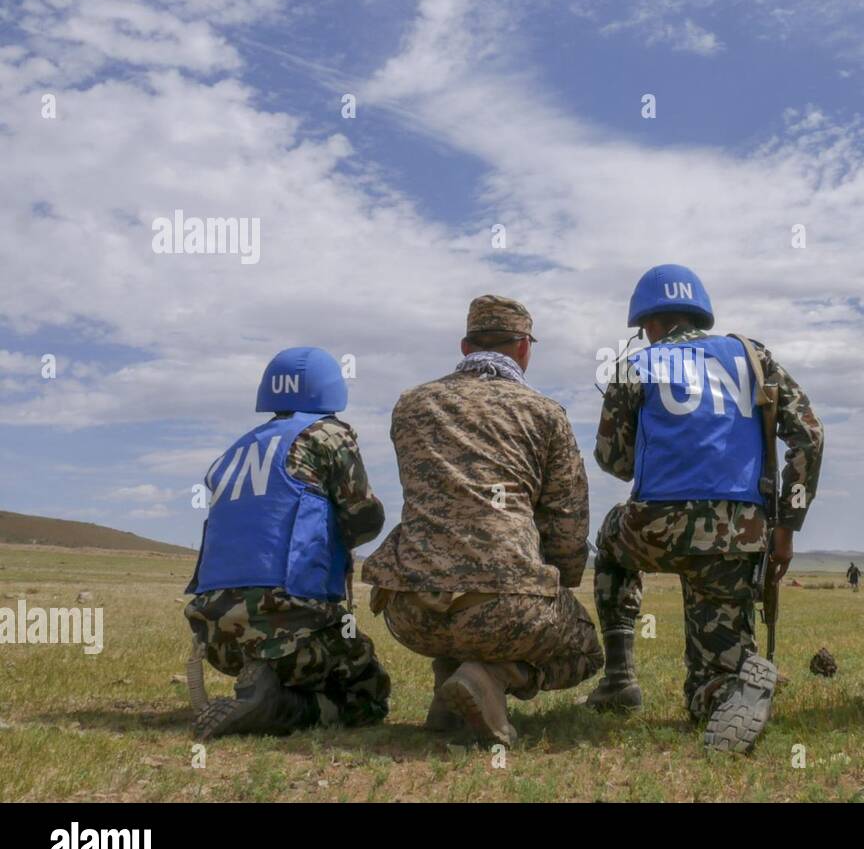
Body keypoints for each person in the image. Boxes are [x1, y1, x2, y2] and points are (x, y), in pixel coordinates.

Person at [588, 264, 824, 753]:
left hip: (654, 527)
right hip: (738, 534)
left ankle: (620, 677)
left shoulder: (637, 365)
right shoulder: (754, 356)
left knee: (610, 544)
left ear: (648, 325)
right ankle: (721, 691)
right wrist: (787, 525)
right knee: (714, 674)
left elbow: (613, 462)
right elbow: (809, 435)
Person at [362, 295, 602, 746]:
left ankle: (449, 691)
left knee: (459, 599)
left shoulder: (411, 406)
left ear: (465, 347)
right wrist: (558, 582)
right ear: (525, 348)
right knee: (585, 649)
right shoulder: (545, 414)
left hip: (411, 611)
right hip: (506, 608)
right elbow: (568, 520)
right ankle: (491, 677)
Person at [186, 347, 390, 740]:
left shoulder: (235, 450)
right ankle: (277, 707)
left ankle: (264, 684)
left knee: (301, 661)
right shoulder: (328, 435)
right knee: (369, 692)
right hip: (291, 631)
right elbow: (364, 517)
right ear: (331, 391)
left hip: (218, 642)